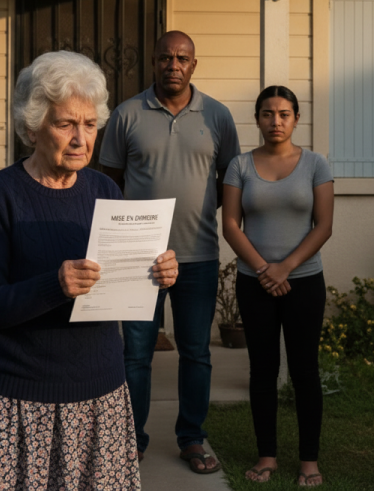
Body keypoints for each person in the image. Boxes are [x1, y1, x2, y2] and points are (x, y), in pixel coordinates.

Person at [0, 50, 178, 490]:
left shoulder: (105, 188)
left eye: (89, 125)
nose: (80, 138)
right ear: (33, 127)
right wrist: (54, 285)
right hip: (14, 402)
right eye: (65, 123)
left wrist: (157, 273)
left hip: (98, 398)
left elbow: (119, 286)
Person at [99, 30, 240, 474]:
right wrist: (128, 235)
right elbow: (109, 181)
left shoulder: (217, 116)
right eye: (165, 58)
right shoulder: (126, 114)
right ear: (154, 62)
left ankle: (192, 438)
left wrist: (194, 214)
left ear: (193, 64)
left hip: (197, 255)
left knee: (196, 352)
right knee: (136, 354)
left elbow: (228, 180)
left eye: (182, 58)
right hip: (139, 258)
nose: (173, 65)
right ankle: (131, 439)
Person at [222, 85, 333, 486]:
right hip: (255, 284)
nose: (275, 121)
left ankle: (309, 461)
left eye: (284, 114)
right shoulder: (240, 166)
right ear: (257, 119)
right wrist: (264, 269)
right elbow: (231, 225)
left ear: (296, 119)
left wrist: (285, 267)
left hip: (303, 282)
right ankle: (266, 455)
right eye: (267, 114)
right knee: (262, 370)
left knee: (305, 370)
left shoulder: (316, 164)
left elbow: (324, 225)